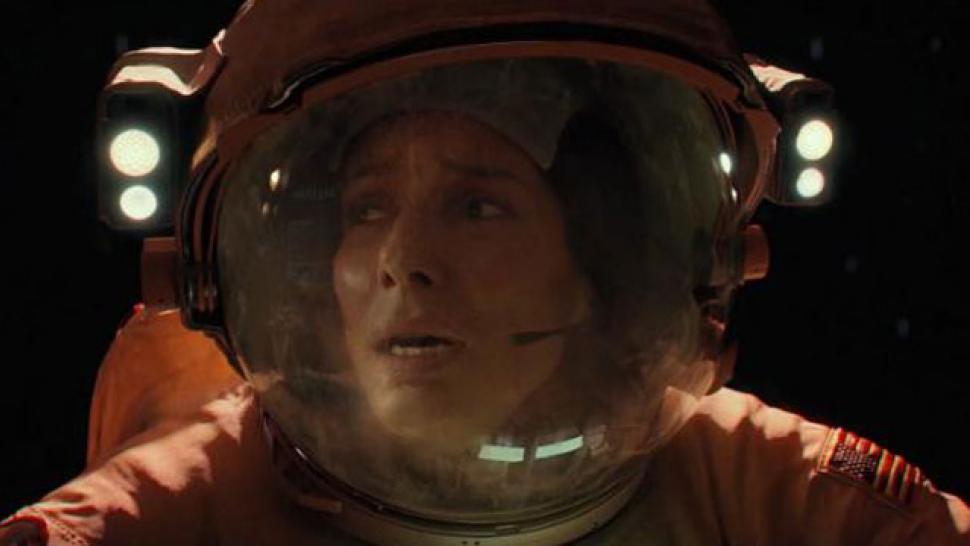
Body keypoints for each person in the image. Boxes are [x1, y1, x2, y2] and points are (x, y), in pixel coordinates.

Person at [2, 0, 968, 544]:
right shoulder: (187, 507)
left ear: (597, 260)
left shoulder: (763, 495)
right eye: (367, 209)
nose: (401, 262)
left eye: (476, 207)